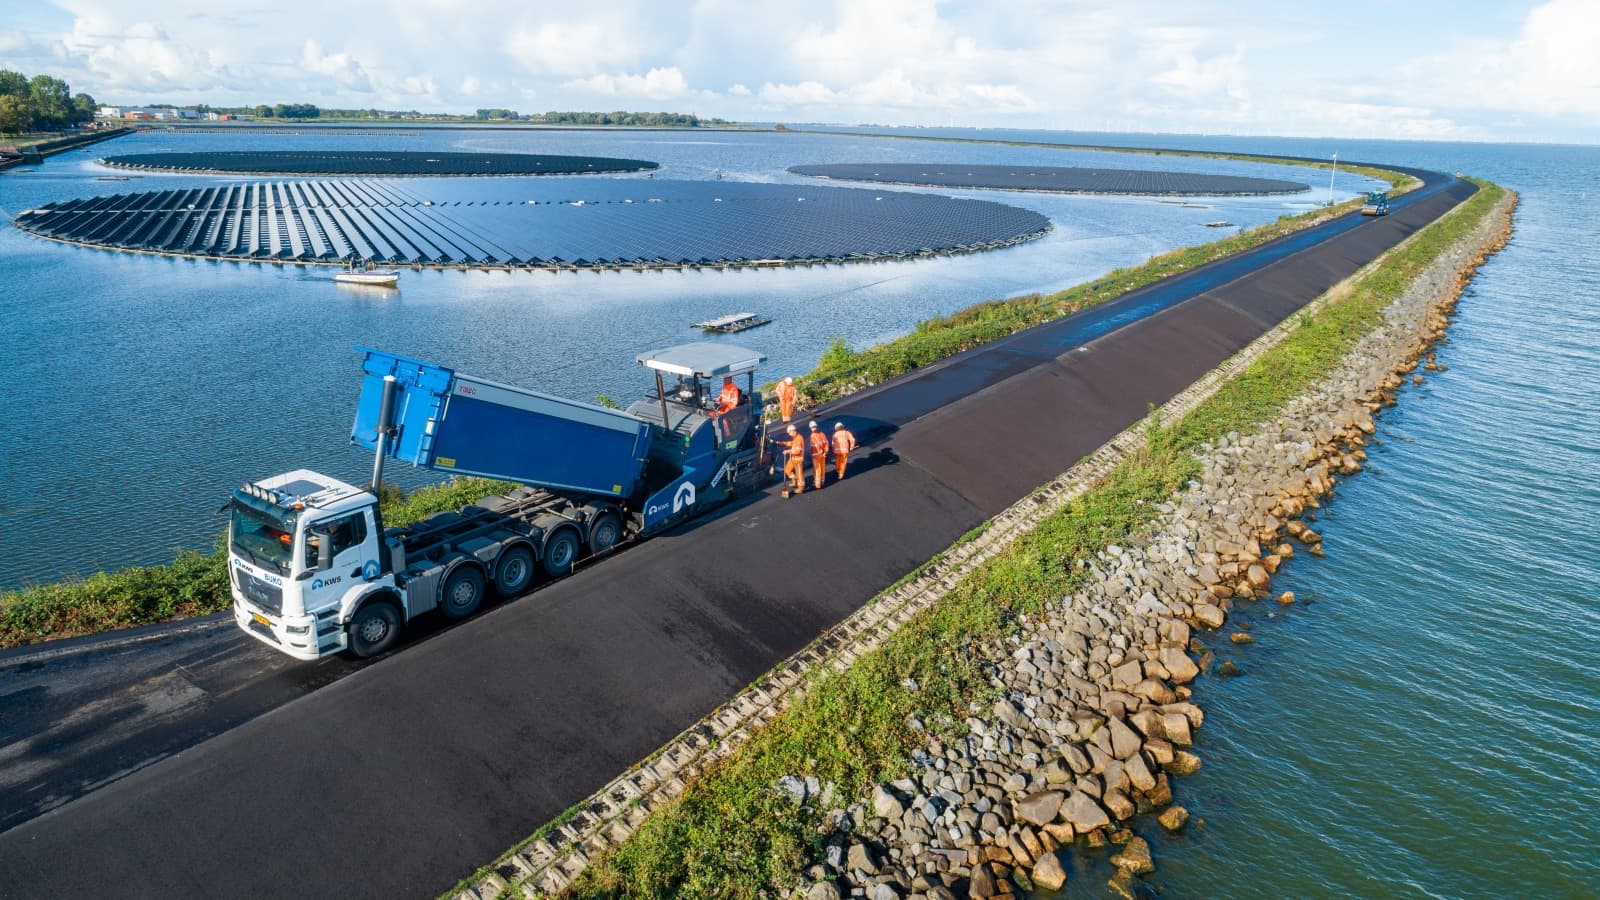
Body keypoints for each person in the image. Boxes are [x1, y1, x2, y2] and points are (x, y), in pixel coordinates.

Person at [781, 424, 806, 496]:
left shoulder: (799, 438)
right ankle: (794, 480)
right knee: (787, 469)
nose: (789, 435)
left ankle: (801, 488)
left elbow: (797, 451)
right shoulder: (795, 438)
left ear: (792, 431)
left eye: (789, 433)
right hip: (793, 458)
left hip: (798, 459)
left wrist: (788, 451)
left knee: (799, 474)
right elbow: (792, 443)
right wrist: (783, 443)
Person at [808, 421, 830, 490]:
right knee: (822, 468)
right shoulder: (822, 434)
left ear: (810, 428)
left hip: (816, 456)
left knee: (817, 470)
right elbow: (826, 443)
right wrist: (825, 452)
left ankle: (817, 484)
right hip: (822, 455)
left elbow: (813, 447)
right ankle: (822, 481)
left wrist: (811, 454)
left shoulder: (812, 436)